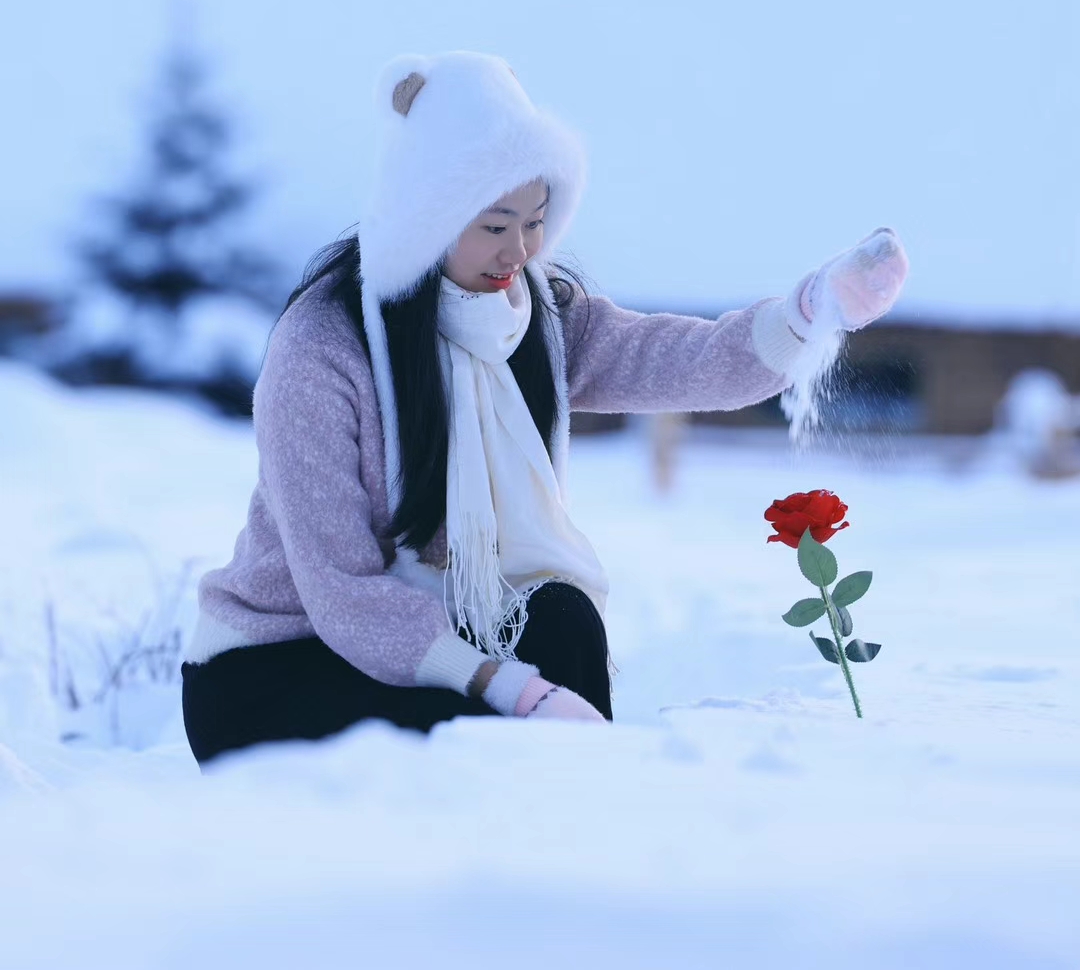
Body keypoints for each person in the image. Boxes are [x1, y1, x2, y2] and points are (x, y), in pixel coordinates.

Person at [180, 51, 908, 767]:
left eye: (534, 221)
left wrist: (811, 311)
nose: (519, 250)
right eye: (495, 225)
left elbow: (677, 358)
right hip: (278, 667)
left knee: (562, 619)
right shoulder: (324, 349)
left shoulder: (536, 317)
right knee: (484, 739)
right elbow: (342, 594)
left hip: (447, 639)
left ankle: (579, 827)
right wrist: (512, 689)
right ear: (429, 213)